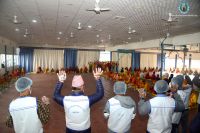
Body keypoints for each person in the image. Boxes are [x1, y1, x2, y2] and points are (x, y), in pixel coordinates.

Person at [53, 68, 104, 133]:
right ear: (82, 87)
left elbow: (55, 96)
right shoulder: (87, 100)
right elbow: (100, 94)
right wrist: (98, 79)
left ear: (72, 88)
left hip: (70, 129)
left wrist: (60, 81)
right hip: (85, 130)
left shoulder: (65, 100)